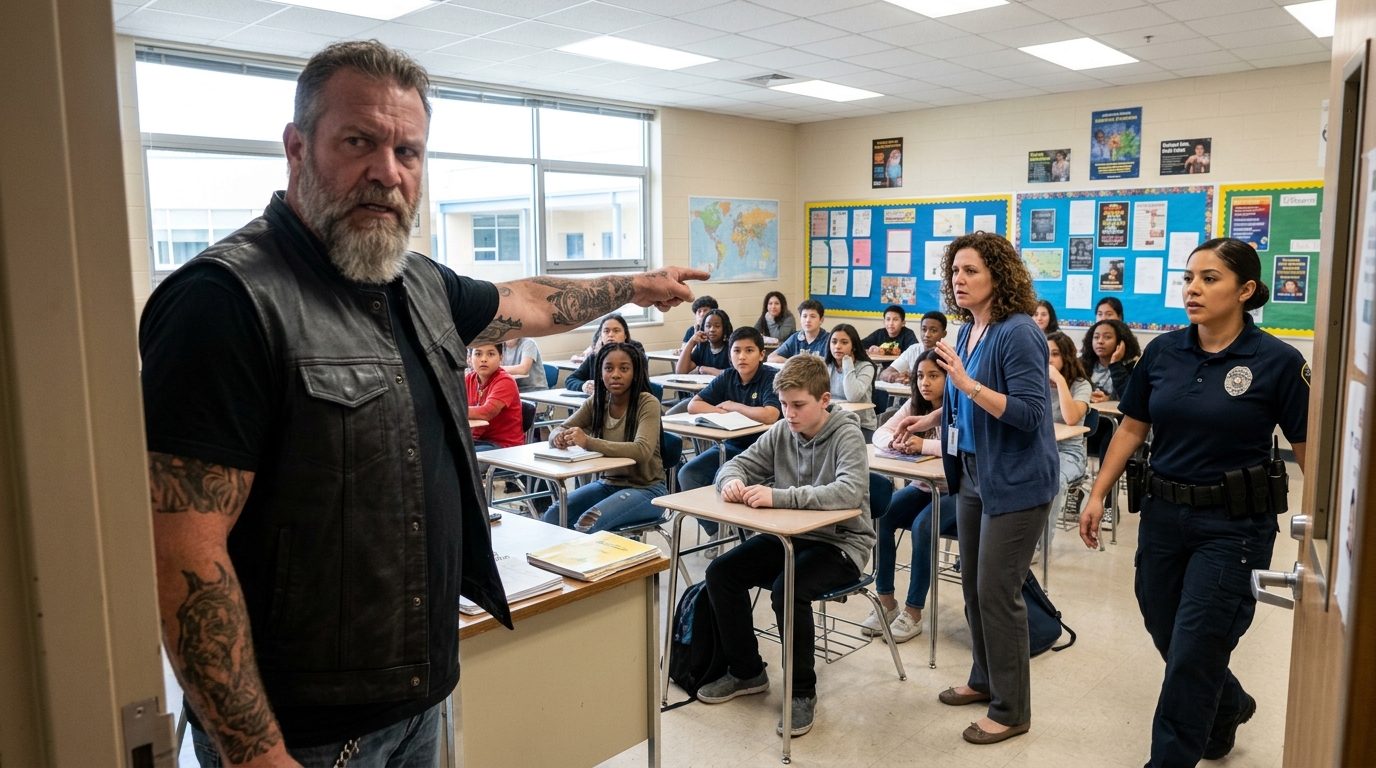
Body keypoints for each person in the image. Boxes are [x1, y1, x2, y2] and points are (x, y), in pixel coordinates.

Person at [140, 41, 705, 767]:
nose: (388, 171)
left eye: (407, 151)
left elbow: (531, 301)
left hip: (419, 693)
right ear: (296, 148)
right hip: (303, 732)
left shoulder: (417, 284)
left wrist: (634, 285)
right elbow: (182, 555)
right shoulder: (223, 301)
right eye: (359, 142)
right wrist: (256, 755)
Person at [1079, 238, 1309, 766]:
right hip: (1163, 514)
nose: (1192, 289)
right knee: (1166, 629)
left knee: (1195, 650)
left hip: (1234, 526)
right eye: (1188, 278)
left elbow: (1307, 451)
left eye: (1209, 279)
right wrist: (1098, 492)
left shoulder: (1278, 361)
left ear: (1245, 290)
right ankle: (1229, 704)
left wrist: (1324, 528)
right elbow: (1132, 427)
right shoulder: (1163, 352)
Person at [886, 232, 1057, 745]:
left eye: (971, 271)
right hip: (973, 473)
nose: (959, 280)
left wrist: (965, 385)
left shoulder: (1019, 331)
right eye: (955, 271)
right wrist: (932, 417)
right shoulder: (966, 330)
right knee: (972, 585)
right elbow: (965, 402)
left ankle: (1012, 709)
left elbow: (1029, 412)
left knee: (997, 592)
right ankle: (984, 679)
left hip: (1017, 479)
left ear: (998, 276)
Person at [696, 355, 875, 738]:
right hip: (791, 537)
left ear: (824, 400)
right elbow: (735, 465)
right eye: (783, 404)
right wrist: (730, 481)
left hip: (842, 543)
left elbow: (849, 492)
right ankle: (747, 671)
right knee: (721, 573)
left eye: (798, 405)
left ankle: (801, 692)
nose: (789, 414)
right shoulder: (781, 431)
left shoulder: (847, 434)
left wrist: (779, 496)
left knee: (788, 589)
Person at [862, 348, 956, 643]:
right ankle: (886, 602)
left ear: (950, 378)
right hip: (923, 487)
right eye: (920, 376)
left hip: (958, 491)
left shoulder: (960, 406)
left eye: (934, 376)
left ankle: (913, 611)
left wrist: (922, 445)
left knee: (922, 526)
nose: (925, 383)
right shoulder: (915, 405)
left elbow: (961, 446)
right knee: (883, 515)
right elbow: (881, 433)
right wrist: (896, 442)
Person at [542, 342, 666, 533]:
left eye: (624, 369)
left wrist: (588, 442)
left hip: (647, 489)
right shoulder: (598, 401)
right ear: (600, 373)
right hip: (608, 484)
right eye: (608, 368)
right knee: (553, 516)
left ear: (635, 373)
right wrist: (558, 437)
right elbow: (560, 428)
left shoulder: (647, 403)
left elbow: (642, 451)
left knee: (587, 523)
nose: (615, 374)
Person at [676, 327, 782, 530]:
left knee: (722, 477)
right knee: (688, 474)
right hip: (732, 444)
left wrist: (735, 407)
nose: (742, 357)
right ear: (729, 354)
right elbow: (694, 405)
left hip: (762, 451)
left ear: (761, 355)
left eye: (749, 351)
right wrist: (724, 412)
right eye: (736, 351)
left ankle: (738, 530)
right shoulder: (728, 376)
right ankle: (717, 531)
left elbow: (770, 414)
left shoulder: (770, 377)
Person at [1045, 331, 1091, 532]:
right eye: (1045, 353)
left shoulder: (1081, 385)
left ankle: (1042, 544)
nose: (1049, 360)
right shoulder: (1034, 382)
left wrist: (1059, 380)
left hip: (1068, 453)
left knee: (1052, 480)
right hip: (1038, 449)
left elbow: (1071, 418)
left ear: (1067, 356)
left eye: (1055, 354)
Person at [467, 342, 526, 450]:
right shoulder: (468, 379)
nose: (484, 359)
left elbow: (487, 412)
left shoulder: (505, 381)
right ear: (469, 358)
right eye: (478, 354)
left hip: (503, 445)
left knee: (457, 457)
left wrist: (454, 411)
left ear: (501, 358)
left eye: (490, 354)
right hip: (475, 440)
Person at [824, 323, 878, 439]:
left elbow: (853, 396)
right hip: (832, 423)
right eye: (834, 342)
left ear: (853, 346)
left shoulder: (866, 367)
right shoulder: (826, 366)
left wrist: (847, 363)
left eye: (844, 343)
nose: (838, 346)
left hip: (860, 425)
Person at [565, 314, 643, 393]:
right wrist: (583, 386)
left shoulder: (635, 355)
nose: (610, 335)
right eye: (606, 331)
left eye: (616, 331)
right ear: (600, 336)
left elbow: (639, 382)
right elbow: (570, 379)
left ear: (625, 335)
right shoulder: (593, 358)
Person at [1080, 318, 1140, 404]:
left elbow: (1132, 397)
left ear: (1120, 342)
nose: (1100, 341)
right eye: (1096, 337)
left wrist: (1116, 364)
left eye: (1107, 337)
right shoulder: (1083, 363)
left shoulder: (1134, 366)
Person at [879, 311, 947, 384]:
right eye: (924, 330)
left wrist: (914, 378)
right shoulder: (913, 350)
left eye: (933, 331)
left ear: (943, 334)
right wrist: (897, 376)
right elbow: (884, 374)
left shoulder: (947, 355)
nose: (927, 334)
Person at [677, 308, 731, 375]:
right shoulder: (702, 347)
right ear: (703, 328)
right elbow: (680, 371)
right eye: (708, 326)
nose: (712, 330)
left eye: (717, 326)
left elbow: (736, 374)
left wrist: (707, 370)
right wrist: (692, 341)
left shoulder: (731, 348)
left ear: (724, 328)